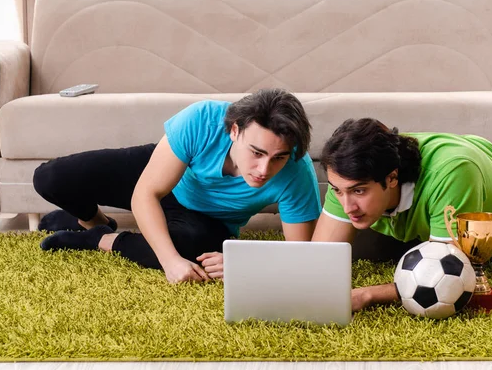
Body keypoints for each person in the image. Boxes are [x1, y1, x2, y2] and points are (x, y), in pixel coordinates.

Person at [33, 88, 321, 283]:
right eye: (256, 153)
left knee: (195, 249)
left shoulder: (297, 170)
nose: (264, 170)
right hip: (168, 175)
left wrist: (243, 263)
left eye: (278, 158)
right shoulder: (202, 120)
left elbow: (300, 255)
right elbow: (146, 194)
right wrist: (170, 262)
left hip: (207, 220)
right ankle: (94, 223)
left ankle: (97, 240)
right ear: (234, 130)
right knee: (52, 178)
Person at [312, 118, 492, 311]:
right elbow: (319, 261)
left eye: (358, 191)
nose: (347, 206)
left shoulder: (453, 175)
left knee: (447, 268)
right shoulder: (345, 178)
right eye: (337, 191)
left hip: (484, 170)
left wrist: (367, 294)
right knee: (369, 251)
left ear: (392, 178)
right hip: (416, 186)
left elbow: (440, 277)